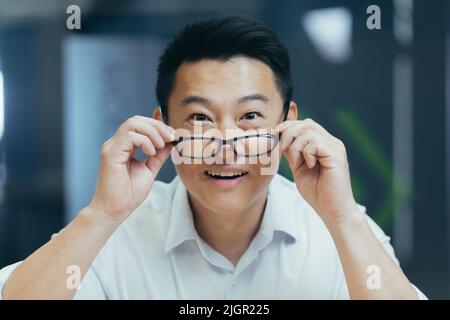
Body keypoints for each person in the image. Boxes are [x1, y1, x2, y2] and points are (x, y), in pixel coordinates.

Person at [0, 16, 426, 299]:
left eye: (250, 116)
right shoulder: (114, 234)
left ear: (288, 122)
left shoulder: (342, 230)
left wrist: (344, 217)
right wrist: (101, 214)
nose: (226, 142)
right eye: (200, 117)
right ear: (162, 125)